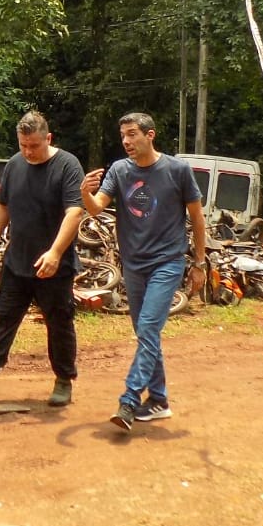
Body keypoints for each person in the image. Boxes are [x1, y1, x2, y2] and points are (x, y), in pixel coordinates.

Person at [80, 112, 206, 431]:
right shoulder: (120, 171)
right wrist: (85, 191)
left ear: (151, 135)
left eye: (133, 134)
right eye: (123, 135)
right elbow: (96, 207)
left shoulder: (177, 170)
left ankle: (130, 400)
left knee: (148, 327)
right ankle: (160, 400)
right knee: (145, 333)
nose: (126, 141)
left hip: (168, 261)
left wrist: (200, 263)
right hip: (133, 265)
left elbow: (197, 217)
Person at [0, 110, 84, 406]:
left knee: (59, 323)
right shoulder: (14, 164)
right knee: (4, 317)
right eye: (23, 145)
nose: (28, 152)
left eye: (34, 146)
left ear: (48, 138)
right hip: (17, 260)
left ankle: (63, 381)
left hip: (54, 266)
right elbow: (3, 204)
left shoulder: (67, 165)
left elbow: (75, 211)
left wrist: (56, 252)